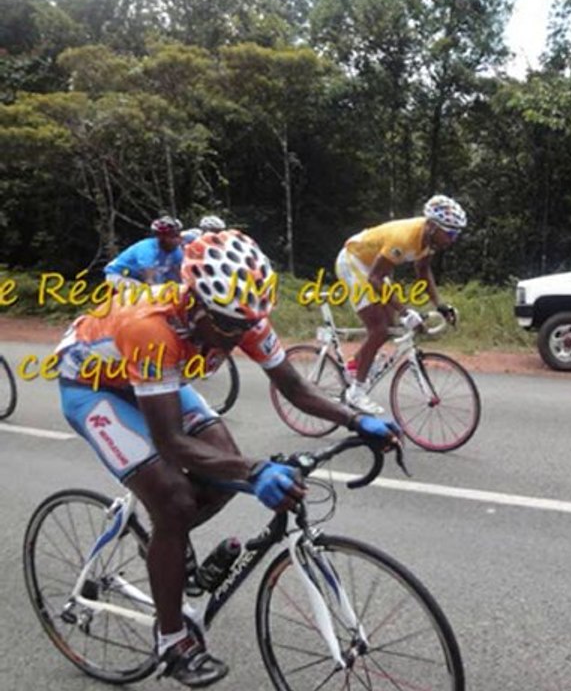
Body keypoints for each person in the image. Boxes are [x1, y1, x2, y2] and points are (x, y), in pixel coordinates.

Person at [56, 229, 400, 688]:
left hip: (161, 376)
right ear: (195, 304)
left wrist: (356, 420)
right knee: (175, 499)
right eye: (228, 327)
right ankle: (172, 639)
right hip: (93, 386)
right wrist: (255, 471)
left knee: (223, 463)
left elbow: (295, 388)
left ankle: (171, 551)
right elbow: (172, 441)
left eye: (247, 325)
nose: (239, 335)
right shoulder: (152, 326)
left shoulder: (243, 314)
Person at [335, 194, 466, 413]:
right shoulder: (405, 238)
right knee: (379, 328)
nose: (453, 239)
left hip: (373, 266)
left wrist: (440, 305)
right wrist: (406, 311)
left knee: (390, 324)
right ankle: (356, 392)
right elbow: (375, 279)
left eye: (457, 234)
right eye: (450, 233)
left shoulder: (429, 240)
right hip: (354, 261)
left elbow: (423, 271)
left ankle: (354, 365)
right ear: (433, 226)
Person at [104, 216, 185, 288]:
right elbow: (149, 281)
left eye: (178, 235)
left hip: (138, 278)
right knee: (145, 291)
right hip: (119, 276)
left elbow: (178, 278)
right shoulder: (147, 250)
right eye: (173, 237)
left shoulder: (176, 251)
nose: (178, 240)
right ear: (161, 237)